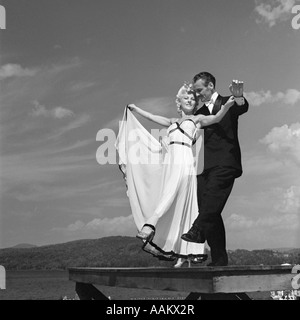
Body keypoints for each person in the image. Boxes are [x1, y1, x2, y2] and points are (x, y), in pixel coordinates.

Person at [115, 83, 235, 267]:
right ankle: (182, 252)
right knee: (175, 203)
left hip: (185, 161)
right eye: (185, 98)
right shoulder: (172, 121)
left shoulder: (197, 119)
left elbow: (217, 118)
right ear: (179, 102)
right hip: (171, 162)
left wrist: (226, 106)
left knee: (173, 194)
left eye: (192, 99)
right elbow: (153, 117)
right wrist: (137, 110)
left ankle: (151, 224)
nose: (189, 100)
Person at [181, 72, 249, 266]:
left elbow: (242, 107)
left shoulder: (229, 102)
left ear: (210, 85)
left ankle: (197, 230)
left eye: (200, 90)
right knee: (210, 208)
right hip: (205, 166)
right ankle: (219, 259)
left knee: (211, 201)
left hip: (226, 162)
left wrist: (238, 96)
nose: (198, 94)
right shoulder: (199, 112)